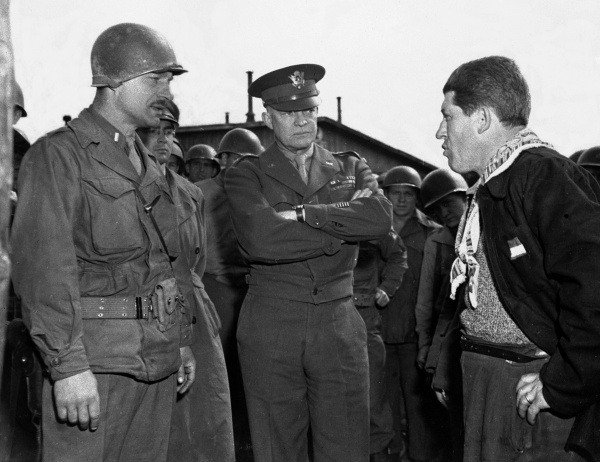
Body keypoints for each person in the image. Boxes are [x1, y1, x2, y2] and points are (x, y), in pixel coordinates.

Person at [10, 23, 196, 461]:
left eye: (169, 80)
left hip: (155, 359)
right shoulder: (59, 156)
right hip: (94, 365)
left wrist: (180, 339)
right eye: (156, 79)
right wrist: (68, 367)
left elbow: (167, 264)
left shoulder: (146, 162)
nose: (167, 92)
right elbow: (45, 273)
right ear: (114, 81)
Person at [224, 63, 393, 462]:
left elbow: (380, 219)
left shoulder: (350, 166)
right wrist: (341, 231)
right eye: (288, 112)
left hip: (338, 321)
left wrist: (305, 215)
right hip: (272, 321)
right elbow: (262, 239)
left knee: (347, 447)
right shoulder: (246, 174)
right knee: (277, 447)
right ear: (268, 118)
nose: (302, 121)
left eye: (309, 110)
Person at [435, 55, 600, 460]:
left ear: (482, 119)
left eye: (448, 116)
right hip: (488, 379)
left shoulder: (543, 175)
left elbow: (594, 284)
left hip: (526, 387)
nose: (440, 131)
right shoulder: (494, 184)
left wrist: (562, 383)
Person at [139, 101, 235, 461]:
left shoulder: (191, 194)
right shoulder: (125, 189)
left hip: (194, 314)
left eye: (169, 132)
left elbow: (198, 261)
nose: (163, 140)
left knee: (206, 414)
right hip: (149, 313)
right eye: (153, 131)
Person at [196, 127, 264, 458]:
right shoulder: (200, 193)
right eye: (233, 158)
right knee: (217, 372)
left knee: (252, 372)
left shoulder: (261, 191)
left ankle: (247, 443)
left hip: (254, 289)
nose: (239, 165)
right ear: (221, 160)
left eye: (248, 159)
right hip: (215, 289)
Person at [380, 166, 445, 462]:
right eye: (396, 193)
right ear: (386, 195)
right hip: (379, 331)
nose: (402, 199)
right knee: (384, 405)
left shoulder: (432, 232)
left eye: (408, 193)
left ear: (417, 196)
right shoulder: (373, 227)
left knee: (419, 407)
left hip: (414, 333)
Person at [416, 168, 468, 462]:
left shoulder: (484, 232)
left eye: (448, 204)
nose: (444, 213)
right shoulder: (437, 241)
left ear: (464, 198)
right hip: (446, 337)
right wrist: (425, 345)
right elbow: (426, 302)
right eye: (437, 210)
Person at [352, 232, 407, 462]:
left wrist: (387, 287)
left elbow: (397, 254)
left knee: (374, 401)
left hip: (364, 317)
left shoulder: (370, 215)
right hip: (325, 314)